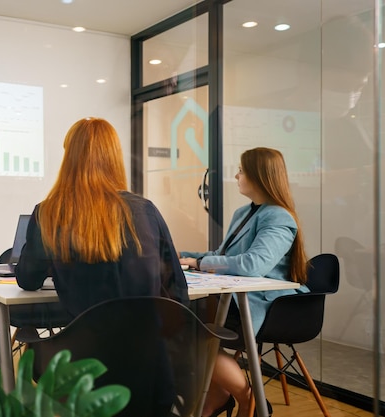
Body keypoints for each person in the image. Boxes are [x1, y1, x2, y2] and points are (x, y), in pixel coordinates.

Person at [15, 117, 188, 416]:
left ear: (69, 157)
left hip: (82, 369)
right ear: (114, 157)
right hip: (151, 370)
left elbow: (27, 279)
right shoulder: (144, 210)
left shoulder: (49, 212)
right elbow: (178, 291)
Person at [180, 147, 309, 417]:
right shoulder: (243, 213)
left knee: (182, 330)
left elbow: (253, 264)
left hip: (265, 306)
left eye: (241, 170)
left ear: (259, 175)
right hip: (235, 301)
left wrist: (200, 264)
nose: (237, 175)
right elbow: (222, 256)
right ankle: (218, 395)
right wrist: (183, 256)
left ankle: (247, 397)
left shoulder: (279, 217)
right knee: (177, 324)